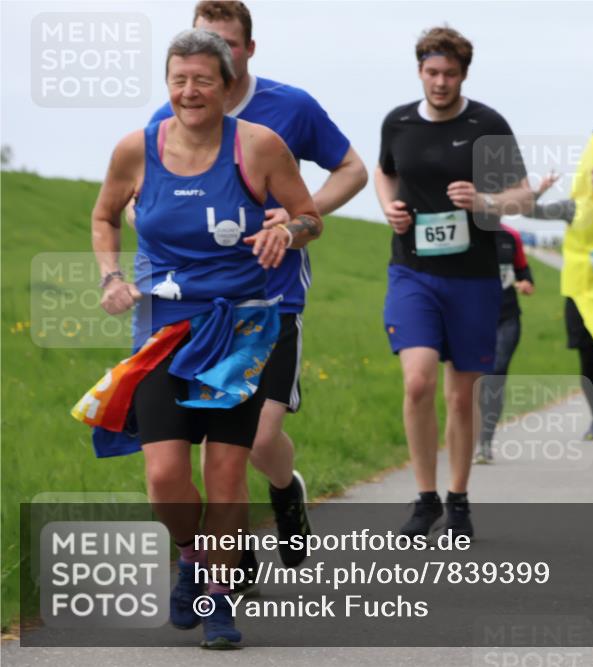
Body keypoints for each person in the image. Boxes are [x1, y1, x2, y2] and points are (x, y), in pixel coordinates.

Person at [81, 29, 322, 649]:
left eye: (203, 80)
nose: (190, 92)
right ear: (168, 85)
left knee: (223, 471)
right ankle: (193, 558)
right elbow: (105, 214)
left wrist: (285, 233)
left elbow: (309, 217)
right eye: (179, 80)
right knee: (163, 474)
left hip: (241, 330)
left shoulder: (260, 147)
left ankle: (219, 595)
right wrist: (111, 276)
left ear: (227, 85)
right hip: (165, 330)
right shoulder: (136, 150)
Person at [143, 1, 367, 576]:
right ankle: (229, 562)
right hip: (197, 310)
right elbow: (145, 204)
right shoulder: (167, 122)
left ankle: (285, 490)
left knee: (262, 439)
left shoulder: (288, 108)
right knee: (206, 452)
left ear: (247, 50)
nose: (214, 53)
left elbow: (352, 169)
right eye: (202, 42)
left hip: (274, 295)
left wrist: (297, 219)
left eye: (227, 44)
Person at [375, 26, 532, 539]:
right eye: (431, 72)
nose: (440, 82)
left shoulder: (487, 125)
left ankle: (458, 498)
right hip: (413, 270)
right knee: (418, 380)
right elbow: (384, 172)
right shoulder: (398, 122)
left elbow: (523, 197)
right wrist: (389, 207)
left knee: (461, 398)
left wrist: (484, 203)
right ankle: (425, 498)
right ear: (420, 70)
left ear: (464, 74)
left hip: (472, 277)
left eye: (449, 74)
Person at [530, 130, 593, 442]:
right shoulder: (572, 207)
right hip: (579, 293)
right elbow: (529, 212)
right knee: (587, 360)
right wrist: (539, 191)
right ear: (586, 175)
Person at [476, 224, 535, 464]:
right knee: (476, 380)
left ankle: (485, 442)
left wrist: (525, 284)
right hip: (476, 319)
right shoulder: (469, 233)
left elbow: (525, 275)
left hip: (507, 318)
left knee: (496, 373)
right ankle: (471, 435)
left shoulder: (511, 237)